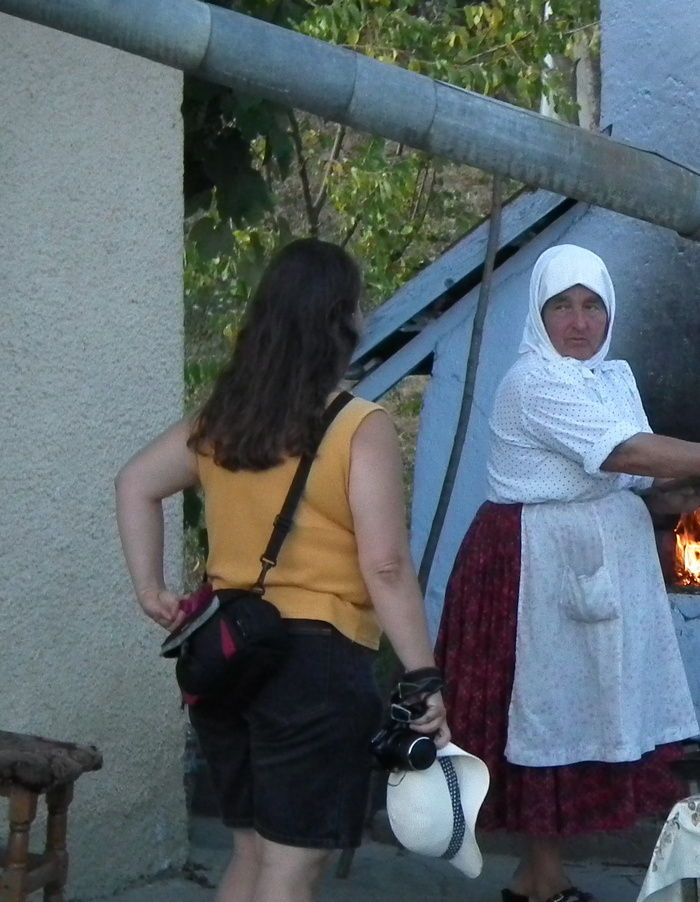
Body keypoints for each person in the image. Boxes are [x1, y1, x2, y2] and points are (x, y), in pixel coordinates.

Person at [435, 244, 700, 902]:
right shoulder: (533, 382)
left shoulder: (608, 380)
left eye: (592, 305)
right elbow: (623, 451)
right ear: (539, 317)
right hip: (530, 570)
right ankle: (540, 877)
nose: (578, 321)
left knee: (579, 707)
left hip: (590, 563)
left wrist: (665, 500)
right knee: (540, 711)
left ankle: (542, 878)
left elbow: (620, 479)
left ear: (609, 313)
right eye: (562, 307)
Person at [114, 238, 449, 902]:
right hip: (315, 670)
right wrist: (421, 676)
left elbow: (135, 483)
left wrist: (151, 589)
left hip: (224, 658)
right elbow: (383, 565)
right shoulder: (358, 426)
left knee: (253, 853)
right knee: (293, 867)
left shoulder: (223, 423)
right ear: (344, 319)